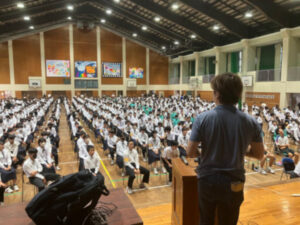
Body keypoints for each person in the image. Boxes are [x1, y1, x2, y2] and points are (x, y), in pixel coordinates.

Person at [187, 73, 265, 225]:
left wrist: (205, 152)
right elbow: (259, 154)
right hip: (234, 180)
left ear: (217, 94)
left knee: (206, 220)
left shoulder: (202, 118)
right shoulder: (251, 122)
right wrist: (240, 151)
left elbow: (190, 152)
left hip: (207, 179)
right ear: (238, 94)